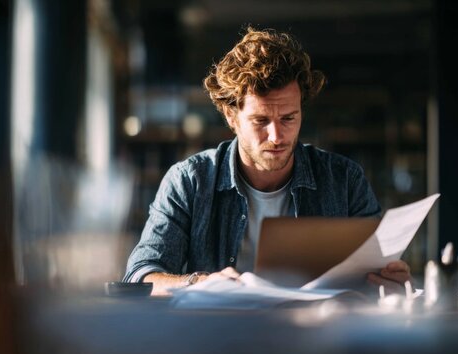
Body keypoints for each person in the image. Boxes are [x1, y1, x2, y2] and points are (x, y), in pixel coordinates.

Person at [123, 27, 411, 295]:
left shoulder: (345, 179)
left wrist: (389, 281)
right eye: (261, 120)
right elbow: (140, 276)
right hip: (218, 341)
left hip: (318, 341)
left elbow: (379, 278)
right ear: (231, 117)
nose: (276, 136)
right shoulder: (189, 181)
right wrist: (199, 282)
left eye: (289, 118)